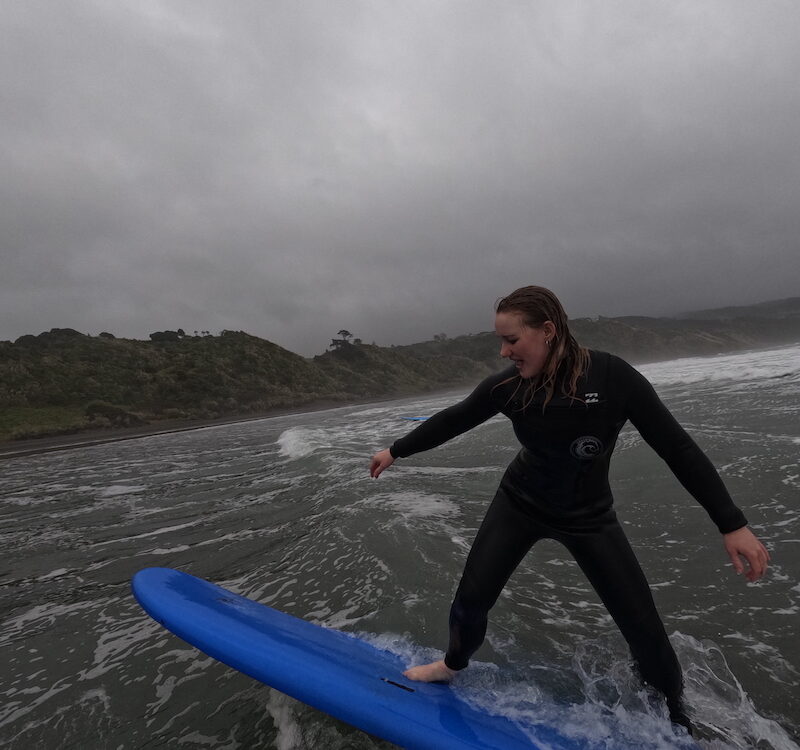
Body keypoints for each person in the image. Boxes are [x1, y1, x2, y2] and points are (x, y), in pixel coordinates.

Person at [369, 285, 769, 733]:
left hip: (588, 516)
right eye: (500, 341)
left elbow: (676, 447)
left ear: (548, 331)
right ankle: (451, 665)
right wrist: (396, 450)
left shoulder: (613, 378)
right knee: (469, 606)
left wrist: (732, 524)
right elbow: (455, 418)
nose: (504, 351)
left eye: (512, 340)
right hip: (519, 503)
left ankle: (677, 723)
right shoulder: (508, 388)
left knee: (644, 630)